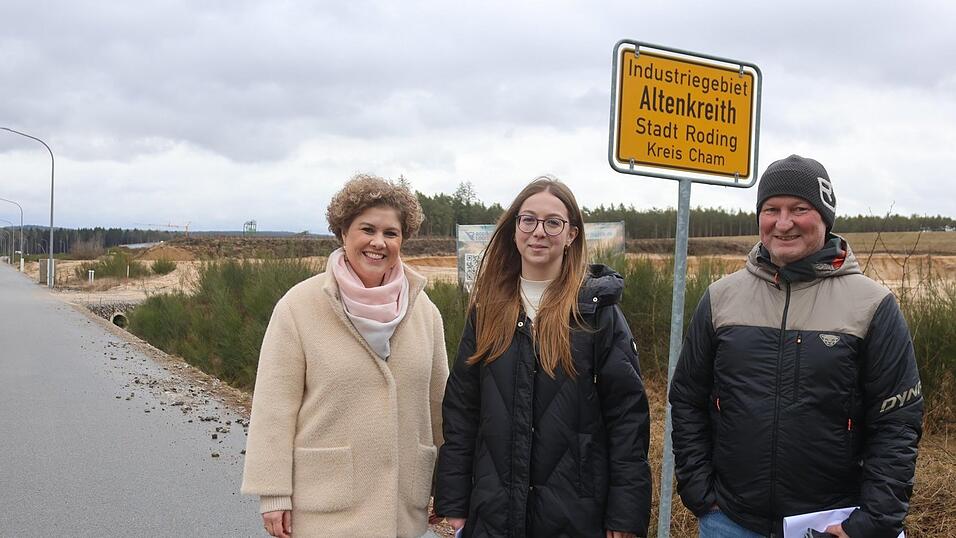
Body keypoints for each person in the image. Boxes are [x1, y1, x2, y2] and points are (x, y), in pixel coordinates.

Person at [670, 155, 923, 538]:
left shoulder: (873, 306)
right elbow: (688, 398)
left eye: (799, 209)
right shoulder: (721, 298)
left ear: (824, 216)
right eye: (772, 209)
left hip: (831, 525)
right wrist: (699, 490)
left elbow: (897, 423)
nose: (783, 223)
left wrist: (871, 522)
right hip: (730, 520)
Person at [435, 177, 652, 538]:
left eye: (553, 222)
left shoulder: (595, 314)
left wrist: (625, 514)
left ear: (571, 235)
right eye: (529, 220)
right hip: (494, 513)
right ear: (514, 229)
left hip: (574, 515)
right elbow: (462, 409)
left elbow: (627, 419)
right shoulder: (487, 311)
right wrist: (454, 500)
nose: (539, 231)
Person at [241, 174, 449, 538]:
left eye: (391, 233)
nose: (378, 242)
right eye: (367, 229)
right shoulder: (298, 306)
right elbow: (274, 406)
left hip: (404, 507)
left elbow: (441, 404)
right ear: (343, 233)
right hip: (325, 508)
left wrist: (448, 483)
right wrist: (273, 492)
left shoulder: (425, 311)